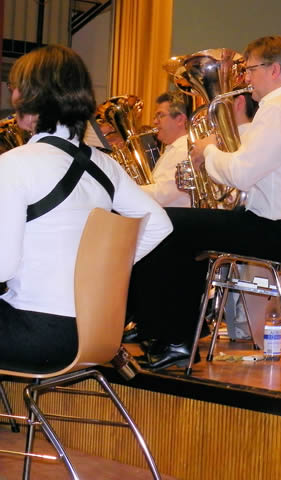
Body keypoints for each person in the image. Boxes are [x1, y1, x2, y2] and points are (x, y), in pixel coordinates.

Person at [129, 35, 281, 370]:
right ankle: (178, 336)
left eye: (250, 69)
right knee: (183, 229)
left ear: (274, 70)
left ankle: (172, 337)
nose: (245, 78)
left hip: (274, 230)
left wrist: (208, 151)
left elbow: (240, 174)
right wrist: (215, 142)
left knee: (165, 222)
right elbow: (253, 149)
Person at [0, 45, 172, 371]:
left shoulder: (14, 164)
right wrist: (98, 273)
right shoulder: (105, 165)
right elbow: (159, 225)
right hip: (97, 334)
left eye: (17, 86)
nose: (14, 94)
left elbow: (3, 267)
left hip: (37, 335)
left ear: (36, 96)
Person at [140, 92, 191, 207]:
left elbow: (161, 195)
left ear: (180, 119)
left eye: (161, 115)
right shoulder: (171, 149)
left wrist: (126, 188)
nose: (155, 122)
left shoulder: (183, 150)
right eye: (155, 117)